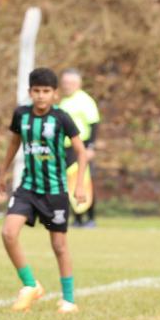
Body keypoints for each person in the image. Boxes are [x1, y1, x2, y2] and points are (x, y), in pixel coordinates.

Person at [0, 67, 88, 313]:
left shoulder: (62, 118)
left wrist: (79, 185)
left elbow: (81, 152)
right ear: (30, 92)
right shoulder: (21, 115)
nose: (41, 96)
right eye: (36, 91)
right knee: (8, 233)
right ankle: (30, 284)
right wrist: (2, 173)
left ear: (55, 93)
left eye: (46, 91)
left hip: (55, 191)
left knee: (59, 246)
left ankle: (68, 300)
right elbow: (14, 143)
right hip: (27, 188)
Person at [58, 68, 100, 227]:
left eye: (70, 82)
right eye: (65, 82)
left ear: (78, 83)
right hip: (65, 148)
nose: (67, 85)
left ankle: (90, 218)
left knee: (84, 181)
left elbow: (94, 124)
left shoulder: (85, 100)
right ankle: (77, 218)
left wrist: (90, 147)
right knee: (70, 183)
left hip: (81, 147)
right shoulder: (63, 101)